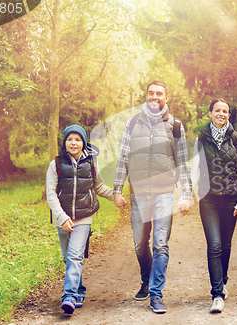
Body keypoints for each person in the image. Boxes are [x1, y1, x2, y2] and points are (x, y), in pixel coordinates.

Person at [113, 81, 192, 314]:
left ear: (166, 97)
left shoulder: (175, 126)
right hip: (138, 195)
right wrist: (117, 188)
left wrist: (186, 194)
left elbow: (183, 161)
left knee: (160, 244)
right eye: (151, 93)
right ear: (145, 96)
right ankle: (146, 280)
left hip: (164, 194)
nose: (154, 97)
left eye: (159, 94)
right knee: (140, 244)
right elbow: (123, 157)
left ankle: (156, 294)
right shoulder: (133, 123)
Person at [46, 125, 114, 314]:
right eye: (69, 139)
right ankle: (80, 289)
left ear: (83, 142)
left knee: (75, 255)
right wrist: (62, 217)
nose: (73, 143)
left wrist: (116, 196)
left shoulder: (91, 162)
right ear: (65, 142)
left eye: (77, 139)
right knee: (69, 259)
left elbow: (99, 187)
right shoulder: (56, 164)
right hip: (62, 217)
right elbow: (51, 194)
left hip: (84, 216)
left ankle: (69, 296)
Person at [191, 98, 237, 313]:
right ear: (210, 113)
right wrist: (192, 195)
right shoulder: (201, 140)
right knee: (214, 245)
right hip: (209, 200)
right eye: (217, 110)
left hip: (231, 200)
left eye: (225, 111)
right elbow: (195, 170)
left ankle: (222, 279)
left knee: (225, 246)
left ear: (229, 115)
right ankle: (217, 294)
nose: (221, 114)